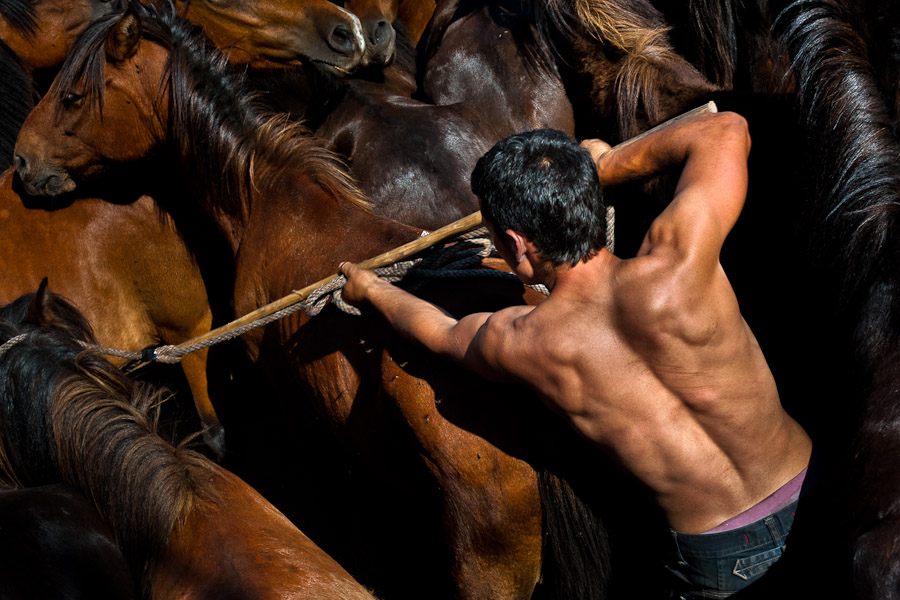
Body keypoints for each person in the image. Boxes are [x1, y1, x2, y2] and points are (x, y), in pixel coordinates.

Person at [339, 112, 813, 598]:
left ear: (517, 246)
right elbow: (726, 129)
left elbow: (439, 331)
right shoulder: (682, 255)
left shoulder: (522, 342)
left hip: (719, 554)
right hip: (815, 488)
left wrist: (371, 288)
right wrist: (605, 164)